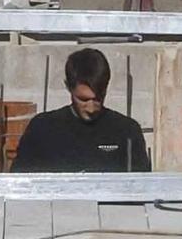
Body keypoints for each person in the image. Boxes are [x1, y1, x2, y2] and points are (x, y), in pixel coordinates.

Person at [10, 48, 151, 172]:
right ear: (68, 87)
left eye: (98, 99)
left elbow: (142, 190)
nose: (91, 108)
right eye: (83, 99)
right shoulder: (42, 129)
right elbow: (20, 186)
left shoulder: (127, 131)